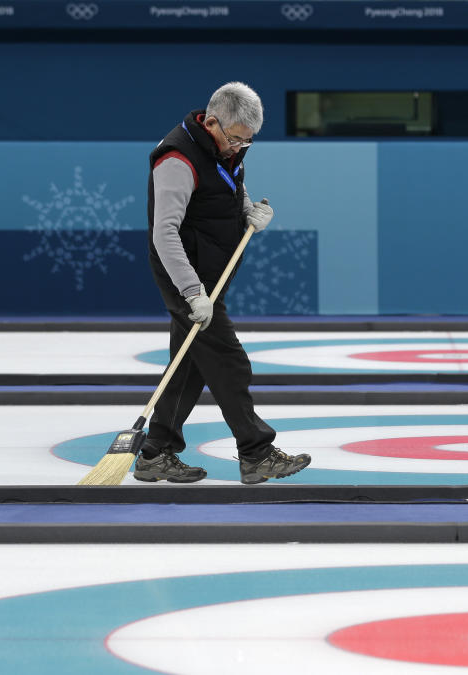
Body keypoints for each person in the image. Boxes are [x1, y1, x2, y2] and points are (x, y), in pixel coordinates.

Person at [135, 81, 311, 484]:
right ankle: (256, 452)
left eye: (248, 143)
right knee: (230, 363)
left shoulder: (223, 147)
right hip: (187, 278)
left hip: (211, 276)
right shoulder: (177, 160)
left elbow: (229, 180)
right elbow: (165, 233)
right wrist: (192, 291)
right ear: (212, 122)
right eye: (235, 140)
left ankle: (154, 453)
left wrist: (248, 210)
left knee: (190, 367)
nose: (239, 149)